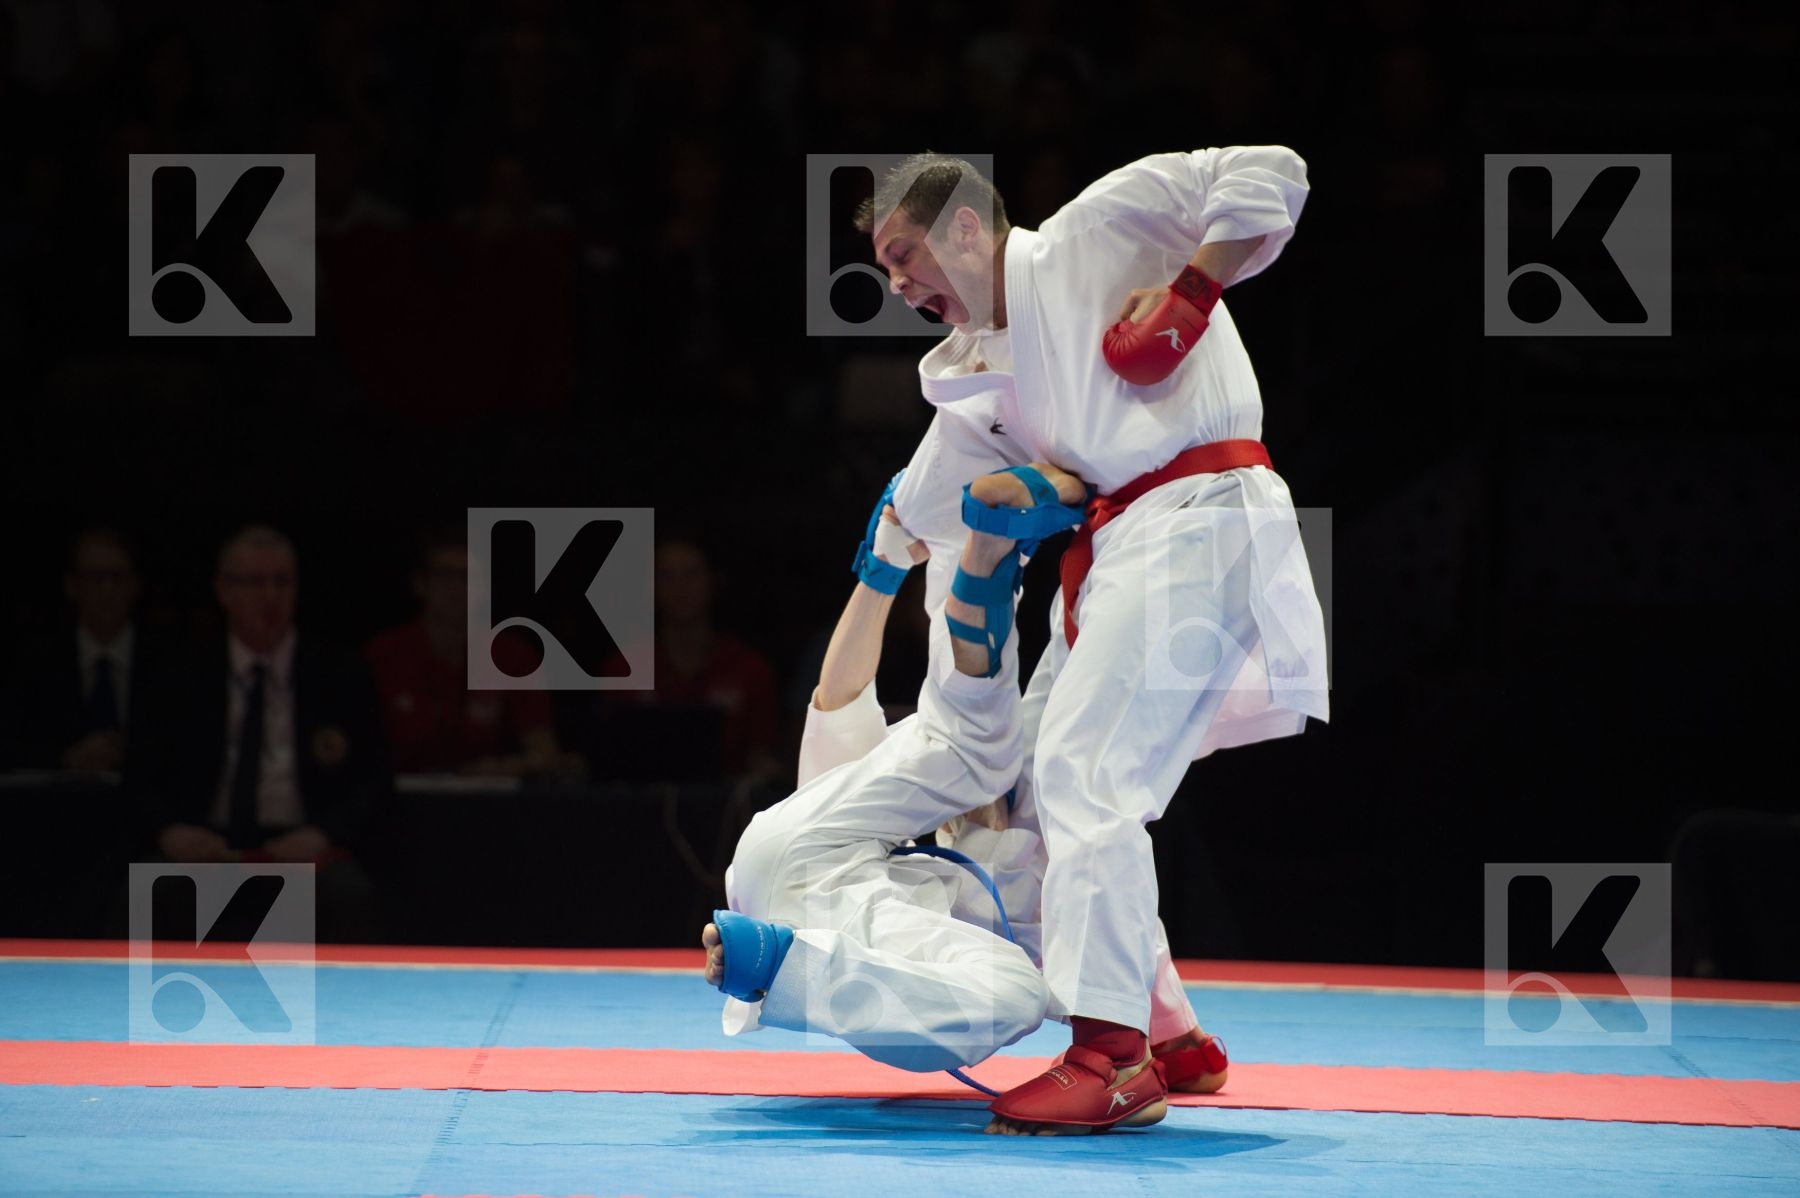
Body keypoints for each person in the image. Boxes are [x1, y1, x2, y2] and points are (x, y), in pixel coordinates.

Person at [859, 149, 1330, 1132]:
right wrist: (886, 548)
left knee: (1085, 767)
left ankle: (1111, 1057)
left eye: (906, 256)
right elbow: (930, 500)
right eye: (887, 270)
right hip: (1125, 547)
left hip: (1201, 511)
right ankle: (1169, 1032)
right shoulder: (977, 373)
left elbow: (1269, 170)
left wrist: (1196, 289)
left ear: (964, 230)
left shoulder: (1099, 230)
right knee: (1039, 784)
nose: (898, 285)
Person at [702, 466, 1226, 1100]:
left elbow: (1153, 968)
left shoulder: (1075, 849)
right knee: (981, 754)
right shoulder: (929, 779)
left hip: (816, 900)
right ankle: (983, 548)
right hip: (809, 876)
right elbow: (837, 697)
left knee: (1034, 722)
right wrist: (882, 571)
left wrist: (886, 563)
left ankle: (985, 545)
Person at [128, 525, 389, 942]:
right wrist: (169, 830)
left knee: (349, 895)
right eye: (254, 582)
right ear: (223, 590)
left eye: (281, 581)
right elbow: (138, 773)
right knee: (150, 890)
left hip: (302, 847)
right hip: (207, 845)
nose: (270, 596)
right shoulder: (179, 672)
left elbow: (374, 777)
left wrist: (325, 833)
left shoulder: (339, 672)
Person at [365, 527, 576, 778]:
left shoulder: (511, 656)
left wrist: (508, 767)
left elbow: (544, 752)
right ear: (419, 584)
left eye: (469, 577)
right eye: (445, 576)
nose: (457, 588)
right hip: (398, 802)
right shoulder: (383, 655)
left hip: (486, 802)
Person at [3, 528, 168, 774]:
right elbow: (11, 746)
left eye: (118, 577)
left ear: (135, 585)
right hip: (56, 803)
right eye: (95, 577)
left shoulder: (169, 663)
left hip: (145, 805)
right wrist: (66, 759)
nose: (107, 589)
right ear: (72, 585)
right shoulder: (35, 663)